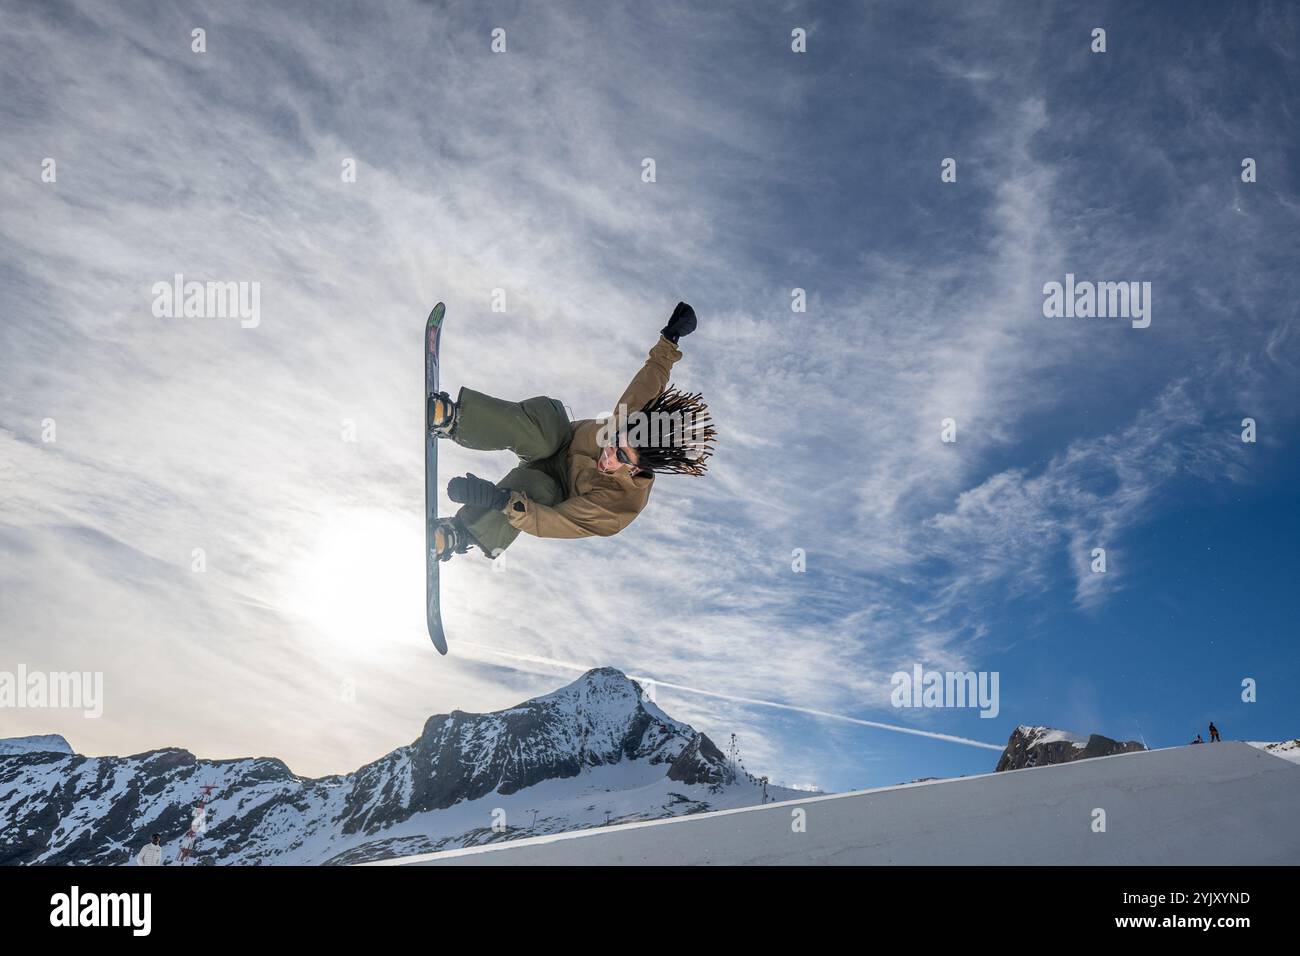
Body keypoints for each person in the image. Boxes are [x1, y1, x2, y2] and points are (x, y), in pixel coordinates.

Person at [427, 302, 716, 560]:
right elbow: (652, 378)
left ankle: (460, 533)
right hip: (558, 438)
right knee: (544, 436)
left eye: (622, 457)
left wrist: (498, 499)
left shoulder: (619, 508)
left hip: (552, 486)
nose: (608, 455)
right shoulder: (631, 418)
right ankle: (455, 419)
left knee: (535, 492)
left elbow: (553, 522)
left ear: (636, 469)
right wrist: (671, 338)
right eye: (614, 441)